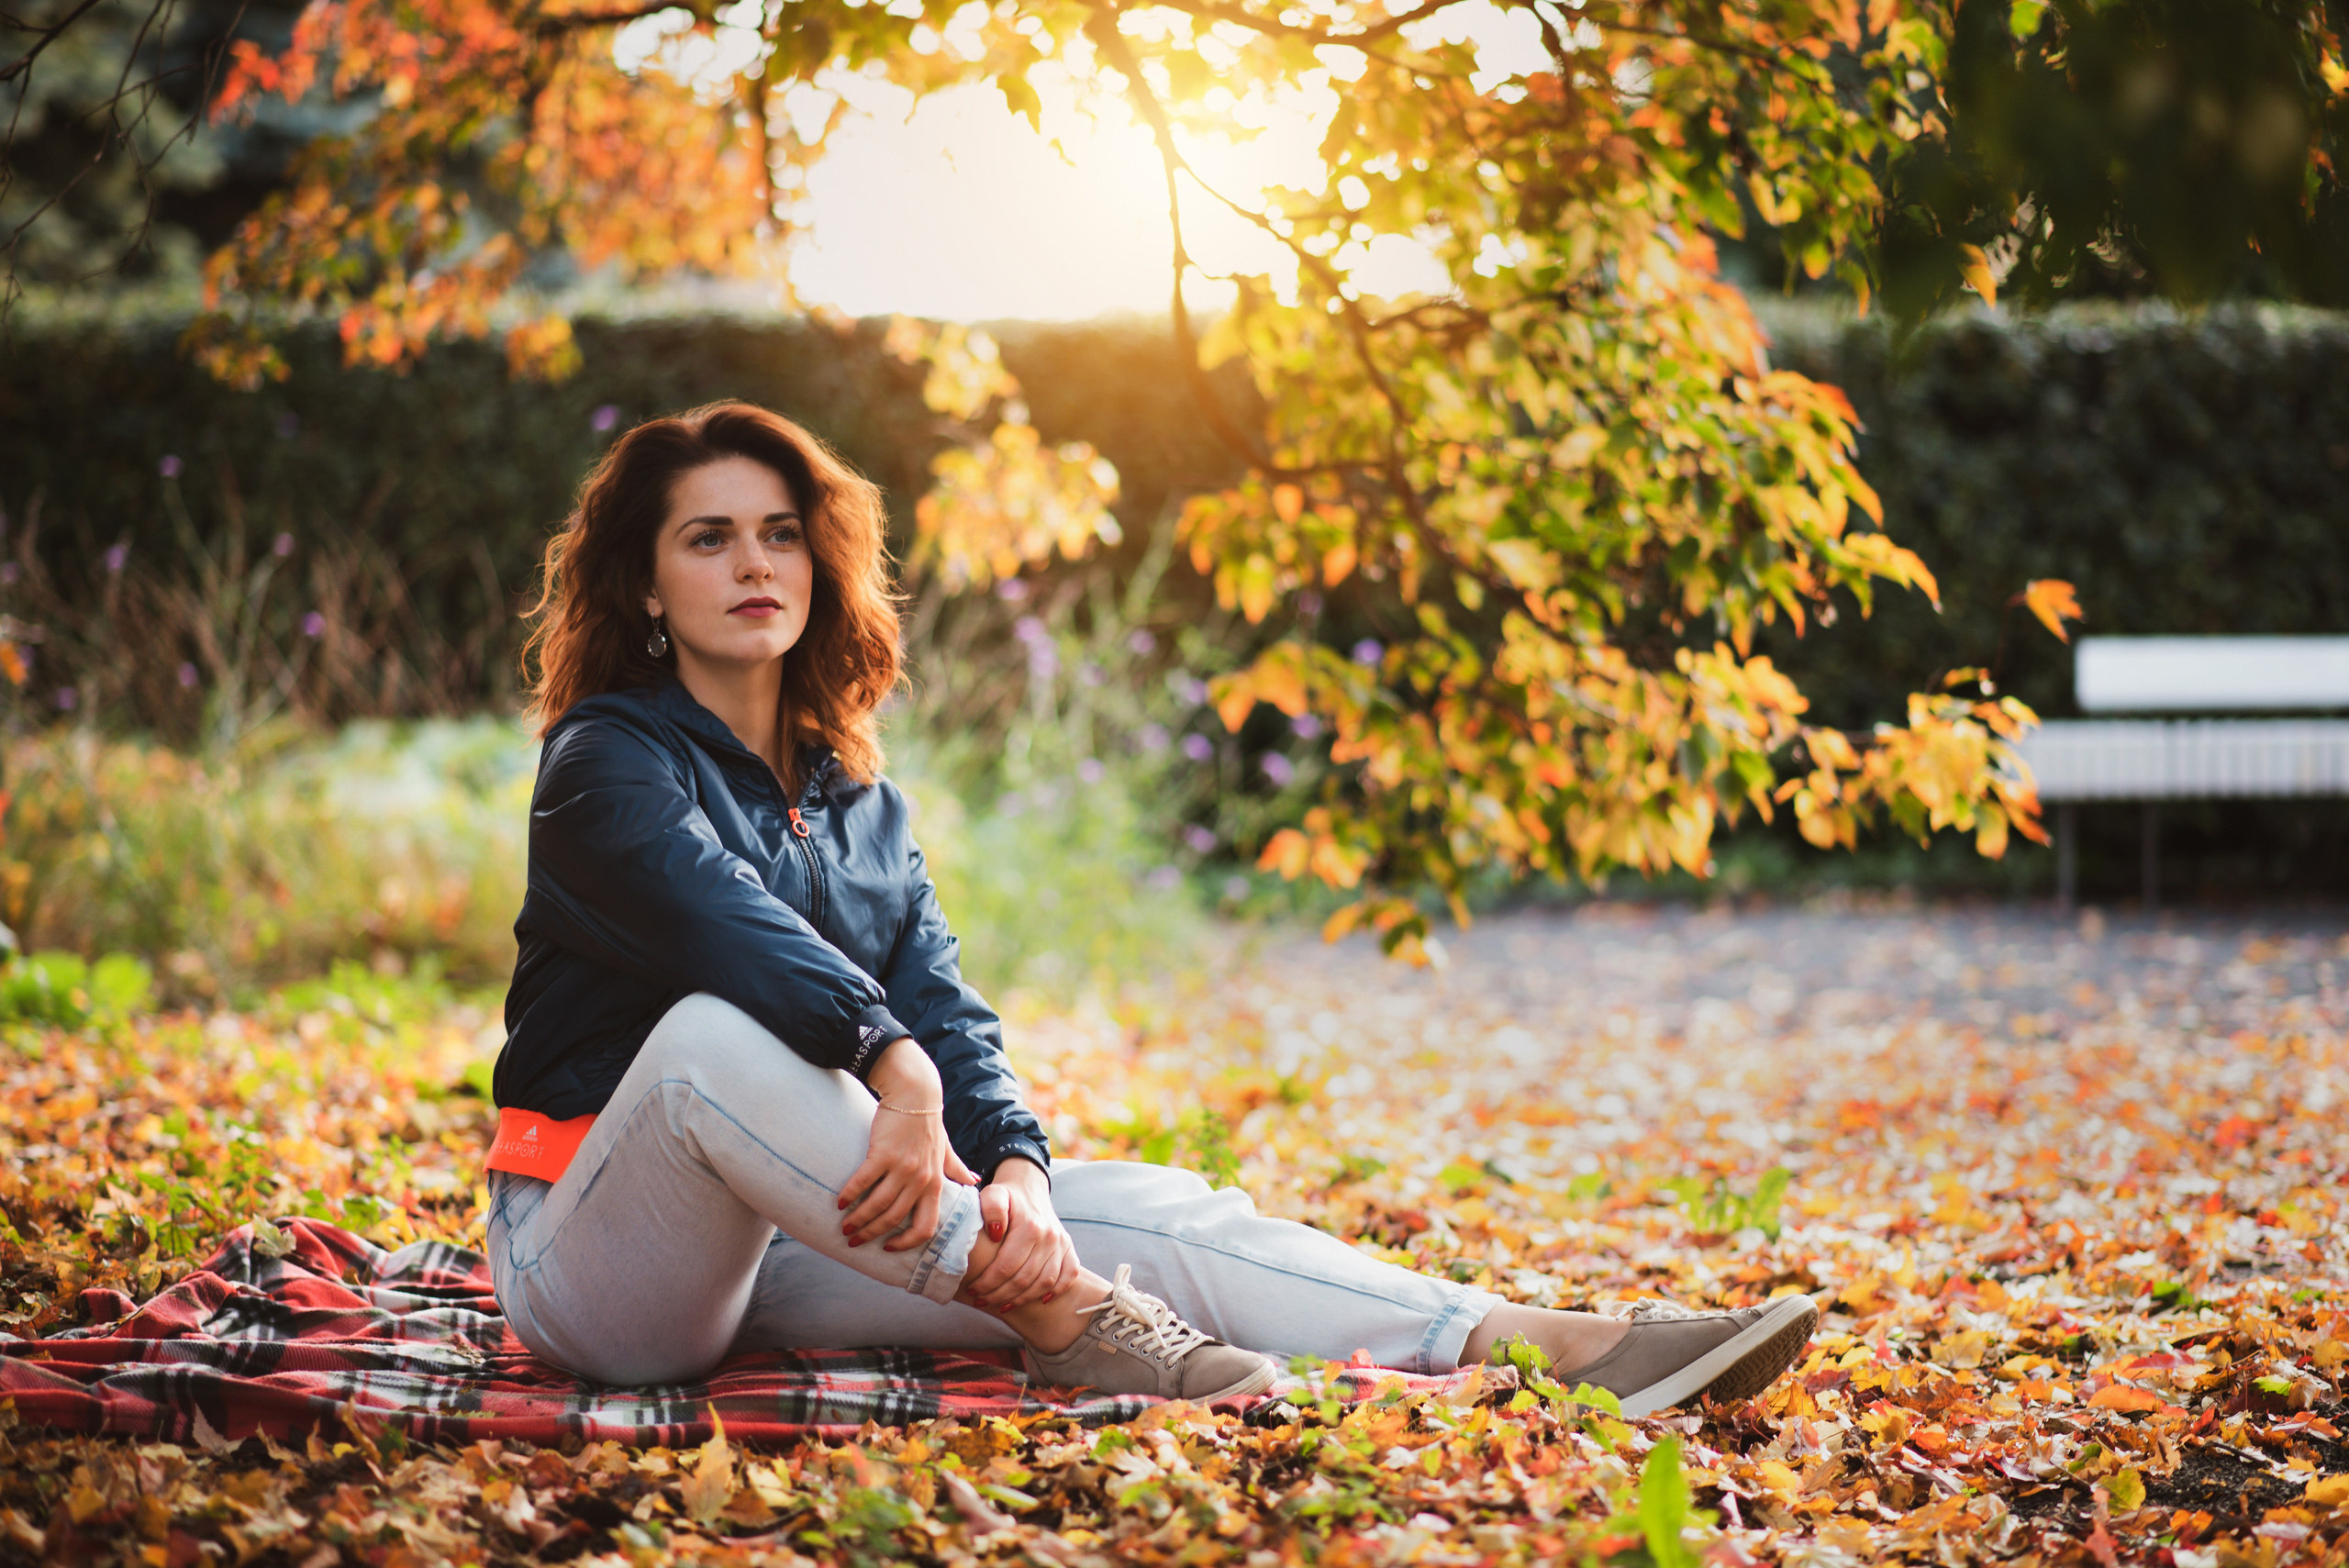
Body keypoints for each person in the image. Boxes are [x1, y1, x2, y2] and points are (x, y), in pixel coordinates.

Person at [484, 399, 1819, 1413]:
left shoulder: (860, 805)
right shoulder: (606, 761)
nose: (753, 562)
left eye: (780, 532)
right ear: (649, 586)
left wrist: (1014, 1166)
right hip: (596, 1262)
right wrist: (890, 1065)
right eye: (707, 538)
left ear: (821, 563)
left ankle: (1544, 1341)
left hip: (787, 1241)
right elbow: (725, 923)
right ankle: (1068, 1314)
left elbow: (946, 1003)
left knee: (1159, 1208)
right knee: (720, 1032)